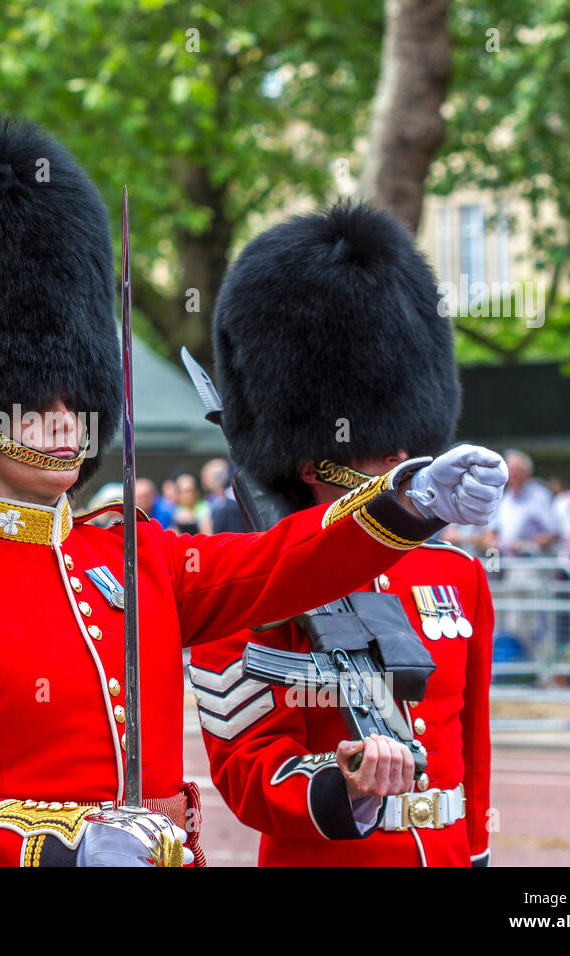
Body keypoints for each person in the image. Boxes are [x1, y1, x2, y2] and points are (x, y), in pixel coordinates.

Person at [0, 117, 506, 867]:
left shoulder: (134, 555)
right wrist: (66, 847)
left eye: (77, 399)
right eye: (39, 403)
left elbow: (281, 564)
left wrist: (408, 497)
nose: (69, 423)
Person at [189, 202, 495, 866]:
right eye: (379, 447)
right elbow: (246, 764)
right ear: (311, 459)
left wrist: (475, 853)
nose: (400, 457)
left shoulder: (457, 576)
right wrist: (342, 782)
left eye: (405, 442)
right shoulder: (250, 578)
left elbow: (472, 744)